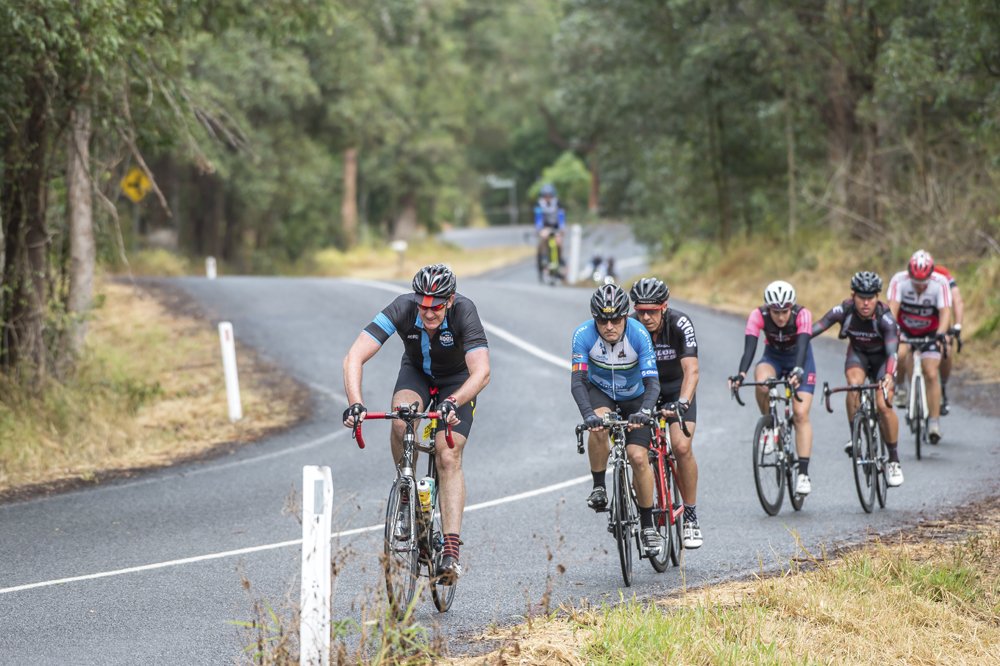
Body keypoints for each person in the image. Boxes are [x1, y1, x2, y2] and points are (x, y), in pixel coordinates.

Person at [342, 264, 491, 583]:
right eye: (423, 306)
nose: (428, 313)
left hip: (457, 382)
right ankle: (406, 492)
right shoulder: (403, 307)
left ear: (449, 301)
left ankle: (450, 552)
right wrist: (355, 402)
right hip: (417, 374)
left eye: (436, 306)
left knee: (448, 455)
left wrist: (454, 402)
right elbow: (354, 356)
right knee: (401, 419)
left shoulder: (465, 311)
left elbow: (482, 372)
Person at [571, 284, 662, 554]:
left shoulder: (639, 334)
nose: (609, 326)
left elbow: (653, 383)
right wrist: (588, 415)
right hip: (601, 392)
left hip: (635, 396)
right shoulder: (583, 335)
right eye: (602, 320)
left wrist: (645, 412)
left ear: (625, 316)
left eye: (615, 320)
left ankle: (648, 526)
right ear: (594, 318)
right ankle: (599, 487)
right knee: (598, 426)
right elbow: (578, 382)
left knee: (637, 457)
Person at [629, 278, 703, 549]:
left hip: (675, 390)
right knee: (637, 454)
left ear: (664, 307)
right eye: (641, 311)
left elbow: (691, 370)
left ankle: (691, 518)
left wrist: (683, 402)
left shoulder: (679, 323)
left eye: (652, 311)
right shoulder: (630, 326)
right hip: (643, 390)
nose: (646, 317)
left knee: (681, 447)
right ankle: (646, 514)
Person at [811, 272, 904, 486]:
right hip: (858, 356)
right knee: (854, 386)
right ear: (853, 296)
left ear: (877, 297)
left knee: (884, 405)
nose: (866, 302)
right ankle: (856, 436)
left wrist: (888, 375)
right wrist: (795, 340)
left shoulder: (885, 318)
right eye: (861, 297)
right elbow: (817, 327)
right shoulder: (843, 310)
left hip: (883, 360)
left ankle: (893, 460)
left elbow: (892, 352)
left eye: (871, 298)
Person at [728, 281, 816, 496]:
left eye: (785, 311)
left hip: (800, 359)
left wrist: (798, 371)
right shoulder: (758, 315)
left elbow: (802, 346)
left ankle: (803, 474)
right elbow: (750, 349)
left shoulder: (803, 314)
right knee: (761, 382)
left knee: (800, 414)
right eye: (776, 312)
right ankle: (769, 426)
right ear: (769, 309)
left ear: (791, 307)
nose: (781, 317)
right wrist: (740, 375)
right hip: (773, 357)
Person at [888, 250, 951, 443]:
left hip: (930, 332)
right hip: (905, 330)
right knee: (899, 353)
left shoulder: (940, 283)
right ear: (909, 275)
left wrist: (940, 334)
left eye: (924, 282)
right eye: (916, 282)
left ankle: (934, 423)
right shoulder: (899, 280)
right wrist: (892, 333)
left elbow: (945, 313)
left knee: (931, 373)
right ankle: (901, 388)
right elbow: (892, 311)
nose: (920, 286)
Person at [932, 264, 964, 415]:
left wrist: (957, 327)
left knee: (946, 351)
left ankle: (942, 388)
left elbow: (957, 300)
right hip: (919, 321)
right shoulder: (909, 277)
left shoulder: (942, 273)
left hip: (940, 320)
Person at [534, 183, 566, 269]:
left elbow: (561, 216)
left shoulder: (557, 202)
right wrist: (539, 228)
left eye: (549, 196)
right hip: (545, 226)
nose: (547, 198)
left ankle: (560, 259)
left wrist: (562, 228)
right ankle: (544, 257)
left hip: (556, 226)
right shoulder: (539, 203)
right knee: (544, 237)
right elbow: (538, 217)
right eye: (545, 196)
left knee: (558, 242)